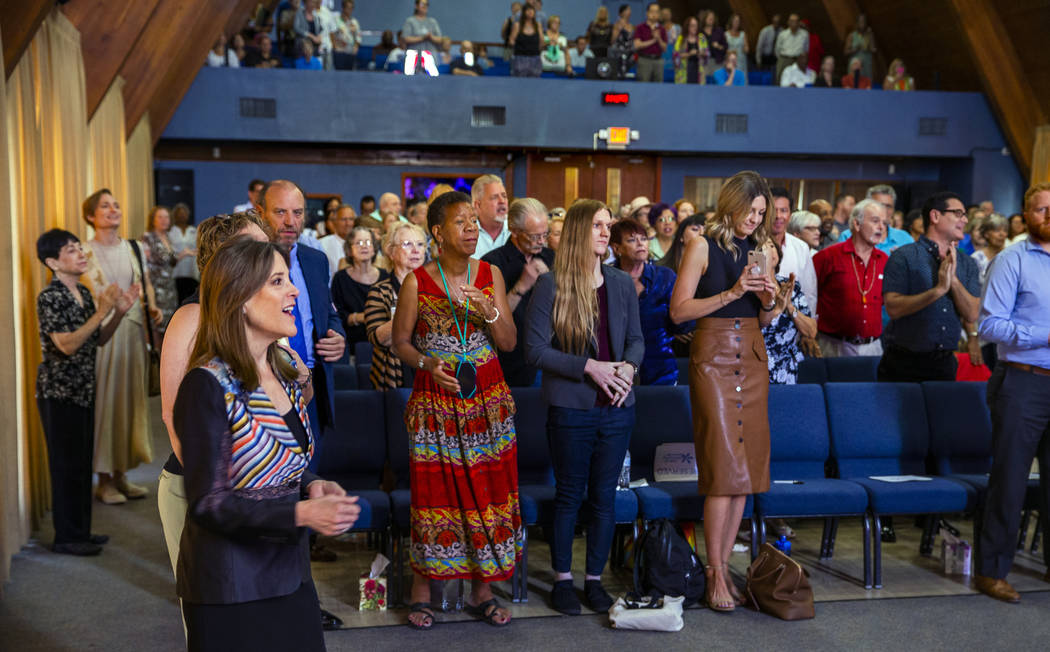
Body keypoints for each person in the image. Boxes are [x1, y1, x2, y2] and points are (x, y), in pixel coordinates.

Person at [174, 238, 360, 650]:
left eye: (288, 279)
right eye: (278, 281)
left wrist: (311, 483)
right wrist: (301, 513)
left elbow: (279, 458)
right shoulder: (208, 385)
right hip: (231, 584)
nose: (294, 289)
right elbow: (209, 503)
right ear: (239, 297)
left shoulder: (284, 372)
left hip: (289, 572)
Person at [390, 191, 520, 629]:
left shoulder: (490, 274)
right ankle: (422, 592)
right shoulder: (417, 282)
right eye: (460, 222)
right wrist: (428, 362)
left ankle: (483, 592)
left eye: (472, 221)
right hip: (437, 403)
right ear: (437, 233)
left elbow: (508, 342)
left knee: (487, 495)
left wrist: (489, 310)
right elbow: (401, 342)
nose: (470, 228)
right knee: (435, 497)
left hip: (487, 403)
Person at [525, 199, 643, 615]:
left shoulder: (621, 283)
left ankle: (593, 580)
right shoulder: (551, 284)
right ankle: (562, 580)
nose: (605, 232)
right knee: (570, 495)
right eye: (596, 225)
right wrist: (589, 366)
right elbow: (535, 351)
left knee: (604, 498)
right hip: (572, 407)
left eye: (607, 225)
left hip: (617, 406)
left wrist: (628, 368)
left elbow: (636, 340)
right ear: (578, 230)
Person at [668, 171, 778, 613]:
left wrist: (770, 298)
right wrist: (732, 292)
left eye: (761, 214)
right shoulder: (700, 244)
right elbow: (679, 311)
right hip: (713, 355)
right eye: (751, 211)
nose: (755, 220)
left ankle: (723, 564)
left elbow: (766, 318)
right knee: (722, 468)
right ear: (731, 204)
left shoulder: (762, 249)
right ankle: (713, 570)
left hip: (751, 353)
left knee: (745, 475)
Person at [36, 230, 136, 555]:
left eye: (80, 248)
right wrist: (100, 311)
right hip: (59, 393)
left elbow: (98, 340)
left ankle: (81, 531)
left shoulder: (82, 290)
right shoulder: (49, 297)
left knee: (81, 465)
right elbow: (65, 344)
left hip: (84, 390)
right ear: (52, 262)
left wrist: (118, 312)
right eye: (70, 250)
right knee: (65, 467)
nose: (81, 254)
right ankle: (66, 538)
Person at [973, 182, 1050, 604]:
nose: (1048, 215)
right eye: (1040, 209)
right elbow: (990, 326)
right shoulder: (1012, 260)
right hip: (1022, 380)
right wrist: (1046, 336)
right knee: (1010, 479)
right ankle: (991, 570)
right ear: (1026, 214)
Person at [82, 189, 160, 505]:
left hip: (133, 335)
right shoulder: (83, 251)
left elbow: (146, 284)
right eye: (105, 206)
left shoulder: (134, 247)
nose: (113, 209)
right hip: (102, 337)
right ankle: (103, 479)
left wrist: (151, 307)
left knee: (130, 405)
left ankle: (122, 475)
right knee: (106, 405)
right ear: (91, 216)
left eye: (116, 204)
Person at [258, 180, 346, 456]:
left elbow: (327, 313)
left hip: (313, 383)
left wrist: (337, 335)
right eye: (280, 212)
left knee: (311, 472)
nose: (289, 222)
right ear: (260, 213)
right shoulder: (248, 264)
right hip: (265, 385)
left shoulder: (316, 260)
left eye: (297, 213)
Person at [880, 191, 980, 382]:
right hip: (903, 364)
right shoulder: (904, 256)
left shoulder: (966, 263)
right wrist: (938, 291)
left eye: (965, 215)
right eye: (958, 213)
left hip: (945, 364)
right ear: (935, 216)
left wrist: (954, 282)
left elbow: (972, 313)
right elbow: (893, 308)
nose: (965, 220)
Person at [481, 198, 555, 387]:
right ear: (514, 230)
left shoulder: (552, 258)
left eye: (544, 235)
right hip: (511, 363)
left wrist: (553, 286)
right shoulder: (491, 263)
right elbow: (488, 320)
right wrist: (521, 286)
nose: (541, 241)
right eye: (534, 236)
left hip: (551, 357)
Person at [611, 218, 689, 385]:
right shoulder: (607, 278)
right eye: (632, 240)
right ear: (616, 248)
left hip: (661, 367)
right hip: (616, 370)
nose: (640, 244)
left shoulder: (665, 277)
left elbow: (680, 325)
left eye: (644, 238)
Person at [812, 199, 888, 357]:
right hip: (833, 346)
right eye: (875, 221)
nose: (881, 227)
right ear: (857, 224)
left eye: (884, 222)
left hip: (872, 348)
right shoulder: (828, 256)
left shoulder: (885, 260)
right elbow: (808, 297)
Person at [365, 223, 428, 390]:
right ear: (391, 252)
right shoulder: (380, 291)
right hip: (395, 378)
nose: (416, 250)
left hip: (431, 374)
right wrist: (410, 310)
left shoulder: (436, 289)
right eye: (407, 244)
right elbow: (377, 338)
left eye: (420, 244)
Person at [760, 239, 816, 384]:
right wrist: (777, 308)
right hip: (756, 366)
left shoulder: (791, 287)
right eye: (762, 246)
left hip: (787, 368)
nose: (769, 250)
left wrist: (789, 307)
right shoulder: (751, 289)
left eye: (772, 245)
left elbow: (811, 331)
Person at [331, 226, 389, 351]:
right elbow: (336, 314)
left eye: (368, 242)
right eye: (359, 243)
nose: (364, 246)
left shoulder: (386, 276)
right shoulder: (340, 278)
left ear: (374, 249)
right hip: (351, 344)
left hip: (382, 343)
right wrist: (360, 317)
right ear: (349, 250)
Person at [769, 187, 817, 319]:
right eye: (773, 210)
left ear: (790, 214)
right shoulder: (752, 244)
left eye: (783, 210)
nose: (778, 216)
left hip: (792, 324)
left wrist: (808, 325)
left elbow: (809, 293)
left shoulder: (801, 247)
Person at [141, 206, 182, 335]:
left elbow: (171, 262)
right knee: (157, 326)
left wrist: (183, 255)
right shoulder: (147, 237)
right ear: (153, 220)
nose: (164, 220)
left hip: (169, 287)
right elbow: (148, 262)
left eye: (166, 217)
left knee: (170, 327)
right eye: (160, 217)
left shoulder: (168, 237)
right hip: (155, 288)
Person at [839, 184, 913, 255]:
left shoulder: (905, 238)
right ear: (866, 206)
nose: (884, 210)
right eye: (879, 205)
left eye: (888, 206)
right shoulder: (848, 236)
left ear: (894, 209)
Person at [471, 174, 510, 258]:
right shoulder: (466, 234)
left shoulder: (517, 231)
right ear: (478, 205)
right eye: (494, 197)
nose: (502, 201)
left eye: (504, 196)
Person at [170, 203, 198, 304]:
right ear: (175, 215)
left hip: (192, 273)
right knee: (178, 301)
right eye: (179, 213)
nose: (182, 215)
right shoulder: (170, 231)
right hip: (176, 272)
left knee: (191, 301)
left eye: (184, 213)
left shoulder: (193, 231)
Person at [633, 3, 668, 83]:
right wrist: (653, 40)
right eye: (652, 11)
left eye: (656, 12)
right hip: (644, 59)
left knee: (658, 86)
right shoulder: (640, 27)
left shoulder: (662, 29)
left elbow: (665, 48)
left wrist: (658, 38)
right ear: (647, 13)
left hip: (658, 60)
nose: (654, 14)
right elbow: (637, 45)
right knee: (643, 84)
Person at [972, 214, 1009, 285]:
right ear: (986, 234)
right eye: (997, 230)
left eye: (1005, 230)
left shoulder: (1011, 256)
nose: (1002, 234)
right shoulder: (976, 258)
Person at [319, 203, 354, 277]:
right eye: (343, 219)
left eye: (351, 219)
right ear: (335, 222)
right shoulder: (322, 244)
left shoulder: (360, 243)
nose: (348, 223)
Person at [509, 3, 543, 77]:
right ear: (523, 12)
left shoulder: (538, 25)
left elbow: (541, 41)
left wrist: (538, 50)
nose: (530, 12)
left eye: (532, 10)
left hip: (535, 58)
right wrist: (519, 48)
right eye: (528, 10)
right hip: (520, 58)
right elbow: (511, 40)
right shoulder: (517, 25)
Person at [774, 13, 808, 83]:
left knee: (799, 80)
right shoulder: (783, 34)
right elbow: (777, 49)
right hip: (784, 59)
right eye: (792, 21)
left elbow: (806, 49)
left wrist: (801, 59)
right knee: (780, 80)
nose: (794, 23)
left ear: (799, 22)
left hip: (798, 60)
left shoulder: (804, 34)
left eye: (796, 21)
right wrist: (783, 58)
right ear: (788, 22)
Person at [673, 15, 706, 85]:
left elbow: (706, 52)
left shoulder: (701, 37)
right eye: (692, 26)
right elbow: (676, 55)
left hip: (698, 69)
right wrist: (689, 54)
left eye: (696, 26)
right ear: (687, 26)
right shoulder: (681, 39)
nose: (695, 28)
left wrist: (699, 53)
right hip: (684, 70)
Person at [844, 14, 876, 79]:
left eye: (863, 21)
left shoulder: (869, 35)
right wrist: (855, 49)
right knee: (854, 84)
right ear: (857, 23)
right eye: (860, 21)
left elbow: (874, 49)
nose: (862, 23)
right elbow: (845, 52)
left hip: (866, 66)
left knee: (867, 84)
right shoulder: (851, 36)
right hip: (855, 67)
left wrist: (868, 48)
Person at [331, 0, 360, 69]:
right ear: (343, 8)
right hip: (339, 52)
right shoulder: (336, 20)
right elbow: (331, 34)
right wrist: (335, 46)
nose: (349, 10)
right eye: (348, 8)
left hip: (350, 53)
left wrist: (356, 48)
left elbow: (358, 38)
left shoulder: (354, 22)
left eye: (351, 8)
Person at [699, 9, 726, 77]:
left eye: (713, 18)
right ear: (704, 19)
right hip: (704, 62)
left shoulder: (719, 31)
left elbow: (725, 46)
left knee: (718, 82)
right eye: (709, 17)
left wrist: (719, 46)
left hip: (718, 62)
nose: (711, 19)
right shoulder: (699, 32)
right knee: (704, 82)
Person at [610, 4, 634, 77]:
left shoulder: (631, 25)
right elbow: (612, 41)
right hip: (619, 53)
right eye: (628, 10)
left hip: (629, 53)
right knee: (619, 73)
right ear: (623, 12)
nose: (630, 12)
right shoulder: (617, 24)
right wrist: (618, 30)